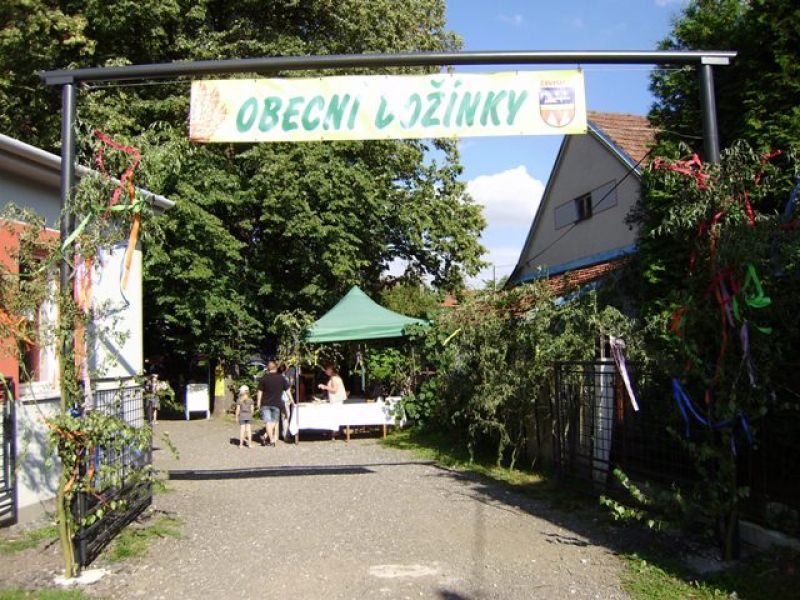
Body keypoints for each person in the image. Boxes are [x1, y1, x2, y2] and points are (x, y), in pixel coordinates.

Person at [257, 361, 289, 446]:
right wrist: (292, 400)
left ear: (268, 368)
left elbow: (260, 391)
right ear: (276, 368)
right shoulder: (281, 378)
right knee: (274, 422)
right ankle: (270, 439)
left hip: (265, 403)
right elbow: (288, 390)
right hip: (276, 403)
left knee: (268, 422)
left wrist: (258, 402)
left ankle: (268, 437)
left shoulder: (264, 378)